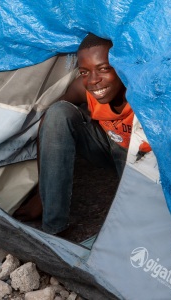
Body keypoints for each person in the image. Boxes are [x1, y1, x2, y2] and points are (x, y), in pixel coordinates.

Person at [14, 33, 134, 235]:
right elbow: (50, 121)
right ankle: (53, 226)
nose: (93, 80)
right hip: (110, 147)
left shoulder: (139, 93)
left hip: (141, 161)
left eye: (104, 69)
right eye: (85, 72)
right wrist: (42, 193)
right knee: (58, 112)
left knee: (136, 223)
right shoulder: (83, 89)